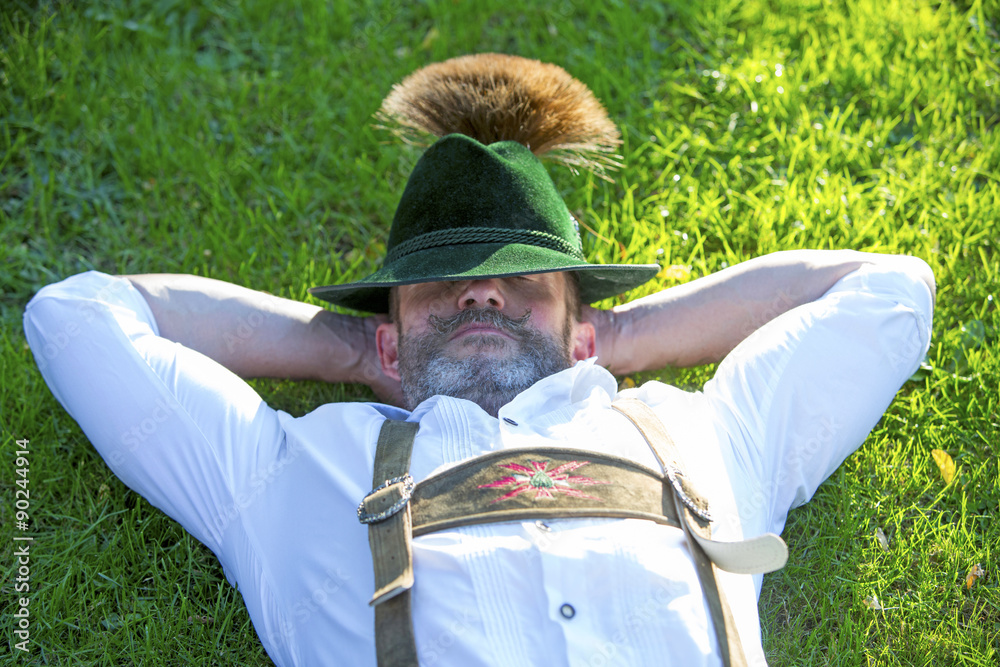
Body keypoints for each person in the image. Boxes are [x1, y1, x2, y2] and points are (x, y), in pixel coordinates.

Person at [24, 54, 934, 666]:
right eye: (440, 287)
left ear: (582, 329)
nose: (481, 295)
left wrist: (610, 340)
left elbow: (891, 292)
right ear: (388, 336)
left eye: (520, 282)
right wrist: (352, 351)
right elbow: (76, 317)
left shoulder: (705, 435)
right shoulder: (289, 468)